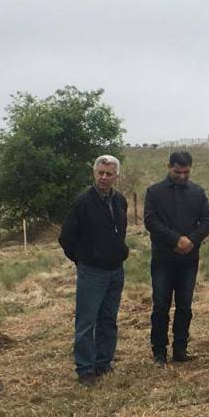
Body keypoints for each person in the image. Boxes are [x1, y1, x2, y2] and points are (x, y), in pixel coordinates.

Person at [59, 155, 129, 386]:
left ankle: (103, 363)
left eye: (109, 174)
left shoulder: (120, 201)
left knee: (108, 320)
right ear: (94, 173)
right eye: (100, 173)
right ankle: (85, 369)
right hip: (92, 272)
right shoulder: (83, 202)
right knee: (86, 322)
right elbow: (66, 237)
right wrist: (83, 260)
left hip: (115, 270)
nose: (104, 177)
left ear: (116, 176)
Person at [143, 151, 209, 366]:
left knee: (184, 306)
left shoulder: (197, 192)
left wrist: (191, 240)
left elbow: (208, 220)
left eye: (186, 172)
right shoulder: (154, 192)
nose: (182, 176)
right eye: (177, 172)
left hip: (189, 259)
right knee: (161, 306)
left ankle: (180, 348)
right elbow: (151, 221)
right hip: (163, 259)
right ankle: (159, 351)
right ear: (169, 167)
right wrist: (176, 240)